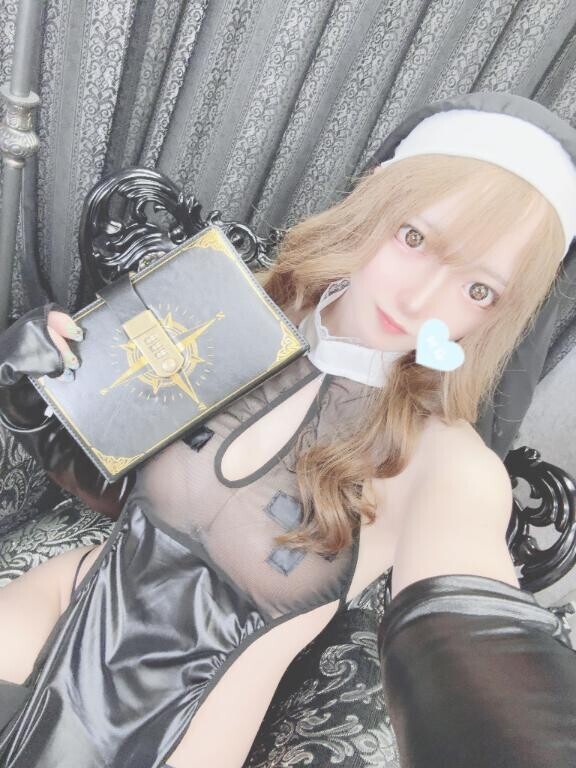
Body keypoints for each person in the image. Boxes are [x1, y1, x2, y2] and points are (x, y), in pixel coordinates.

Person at [0, 91, 575, 767]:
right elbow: (123, 491)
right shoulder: (232, 306)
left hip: (174, 739)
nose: (421, 301)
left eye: (479, 290)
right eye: (415, 238)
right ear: (375, 200)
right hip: (57, 607)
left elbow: (487, 683)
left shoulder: (445, 463)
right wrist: (38, 393)